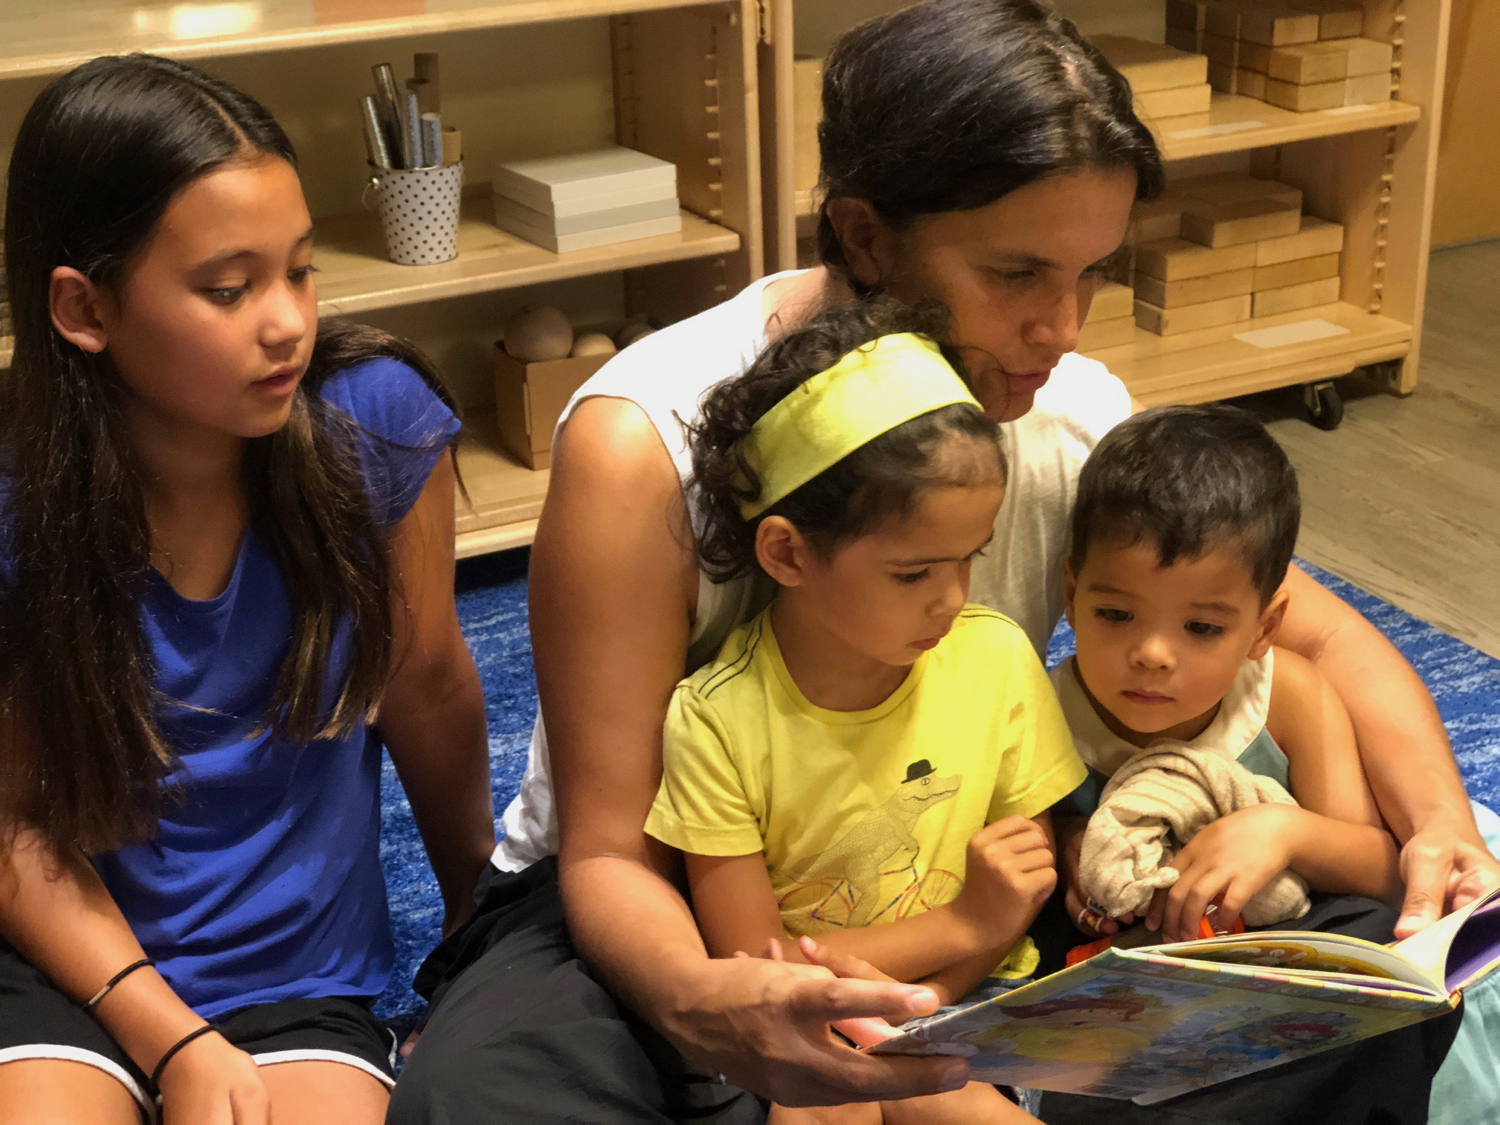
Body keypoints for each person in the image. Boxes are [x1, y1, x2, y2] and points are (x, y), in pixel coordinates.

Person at [390, 0, 1499, 1120]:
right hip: (670, 891)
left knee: (1370, 970)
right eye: (1019, 275)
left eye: (1091, 275)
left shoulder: (1064, 411)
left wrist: (1444, 828)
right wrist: (710, 1004)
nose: (1062, 328)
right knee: (489, 1093)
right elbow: (610, 856)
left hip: (950, 864)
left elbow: (1301, 624)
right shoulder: (642, 445)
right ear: (867, 234)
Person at [0, 56, 495, 1125]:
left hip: (293, 978)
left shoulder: (376, 422)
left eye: (302, 271)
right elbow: (14, 825)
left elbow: (431, 682)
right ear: (83, 308)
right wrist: (167, 1036)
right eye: (229, 289)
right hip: (72, 958)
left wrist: (478, 919)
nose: (286, 323)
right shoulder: (20, 514)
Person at [647, 300, 1086, 1123]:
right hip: (804, 1030)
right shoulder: (716, 721)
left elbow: (1024, 889)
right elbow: (758, 965)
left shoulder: (994, 660)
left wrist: (927, 987)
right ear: (787, 552)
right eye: (914, 572)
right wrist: (960, 921)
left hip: (978, 1002)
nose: (953, 599)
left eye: (969, 560)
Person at [1055, 405, 1402, 941]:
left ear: (1264, 629)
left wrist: (1285, 834)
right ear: (1074, 599)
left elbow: (1380, 870)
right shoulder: (1041, 712)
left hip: (1278, 937)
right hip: (1126, 958)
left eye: (1201, 627)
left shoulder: (1288, 696)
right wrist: (1066, 844)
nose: (1152, 654)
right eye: (1117, 615)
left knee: (1376, 930)